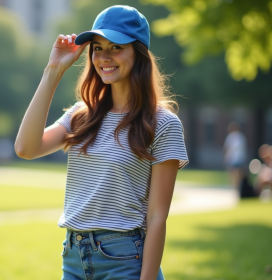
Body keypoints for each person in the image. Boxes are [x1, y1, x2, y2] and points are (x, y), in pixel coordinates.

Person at [15, 5, 188, 280]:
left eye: (115, 47)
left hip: (124, 260)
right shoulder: (81, 115)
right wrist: (52, 71)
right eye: (97, 48)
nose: (103, 57)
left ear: (138, 53)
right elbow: (26, 148)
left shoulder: (162, 123)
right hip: (73, 258)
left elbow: (157, 217)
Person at [223, 121, 247, 189]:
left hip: (237, 158)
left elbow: (227, 148)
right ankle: (235, 186)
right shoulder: (239, 137)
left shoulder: (235, 137)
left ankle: (236, 186)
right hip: (234, 158)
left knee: (236, 174)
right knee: (233, 174)